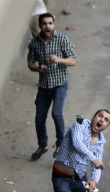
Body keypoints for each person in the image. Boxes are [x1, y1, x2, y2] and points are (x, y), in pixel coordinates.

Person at [27, 12, 76, 161]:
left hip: (60, 84)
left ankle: (61, 144)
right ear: (40, 26)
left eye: (50, 23)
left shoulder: (61, 39)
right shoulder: (35, 42)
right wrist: (38, 68)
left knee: (57, 114)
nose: (47, 26)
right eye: (44, 24)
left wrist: (58, 60)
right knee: (39, 119)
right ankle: (43, 146)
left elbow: (73, 60)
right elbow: (30, 63)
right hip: (44, 85)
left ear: (54, 24)